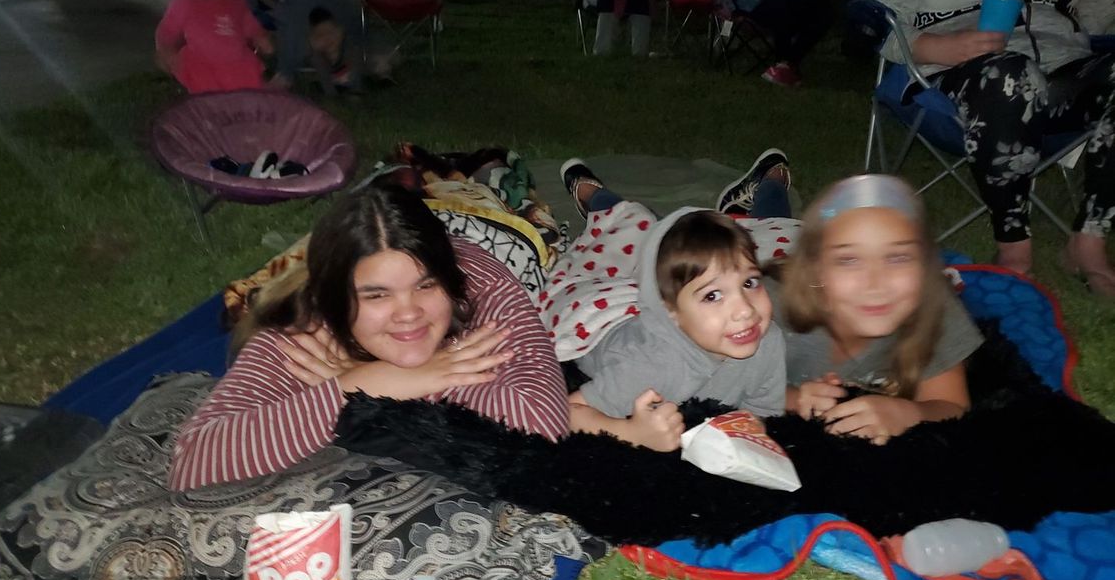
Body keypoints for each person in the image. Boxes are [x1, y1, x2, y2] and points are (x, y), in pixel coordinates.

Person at [168, 182, 570, 491]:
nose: (409, 313)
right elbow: (193, 463)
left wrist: (421, 382)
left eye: (426, 286)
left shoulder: (480, 287)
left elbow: (543, 434)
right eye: (377, 295)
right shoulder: (307, 331)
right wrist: (356, 386)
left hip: (482, 228)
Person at [874, 0, 1115, 293]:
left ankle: (1088, 241)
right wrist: (942, 45)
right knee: (1010, 75)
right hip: (956, 81)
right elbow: (886, 29)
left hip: (1061, 76)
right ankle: (1014, 249)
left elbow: (1102, 26)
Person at [540, 151, 796, 452]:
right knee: (630, 226)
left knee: (778, 242)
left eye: (749, 283)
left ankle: (758, 193)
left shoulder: (768, 341)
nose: (744, 310)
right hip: (601, 313)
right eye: (713, 296)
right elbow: (564, 413)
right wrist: (628, 432)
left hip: (661, 299)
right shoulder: (652, 366)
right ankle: (597, 196)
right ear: (670, 312)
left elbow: (760, 415)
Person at [771, 175, 983, 444]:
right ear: (816, 269)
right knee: (766, 221)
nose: (875, 283)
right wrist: (792, 399)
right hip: (778, 262)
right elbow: (717, 380)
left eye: (898, 257)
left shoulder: (935, 308)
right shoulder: (763, 306)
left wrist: (910, 413)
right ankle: (771, 185)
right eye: (848, 260)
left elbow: (952, 406)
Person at [307, 6, 364, 95]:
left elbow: (357, 76)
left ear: (339, 31)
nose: (327, 39)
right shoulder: (318, 58)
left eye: (331, 32)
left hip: (355, 78)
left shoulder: (351, 51)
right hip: (336, 83)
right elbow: (326, 83)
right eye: (321, 35)